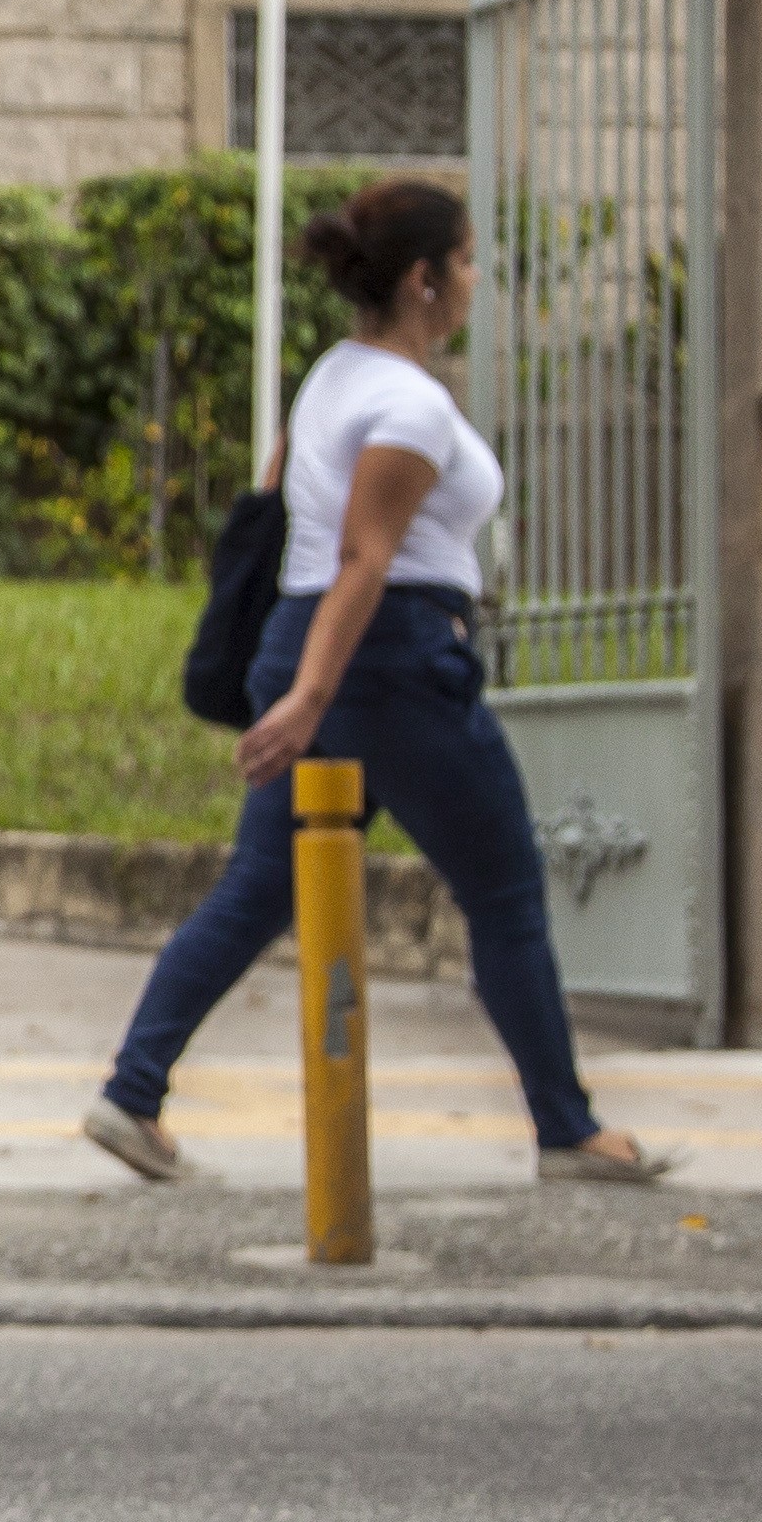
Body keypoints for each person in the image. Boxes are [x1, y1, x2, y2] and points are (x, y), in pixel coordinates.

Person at [87, 180, 673, 1188]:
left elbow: (281, 501)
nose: (477, 280)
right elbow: (366, 556)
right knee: (504, 890)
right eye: (470, 261)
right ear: (424, 279)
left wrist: (296, 677)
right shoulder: (407, 406)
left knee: (260, 889)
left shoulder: (333, 379)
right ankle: (567, 1128)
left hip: (314, 644)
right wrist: (315, 697)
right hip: (390, 659)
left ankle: (132, 1094)